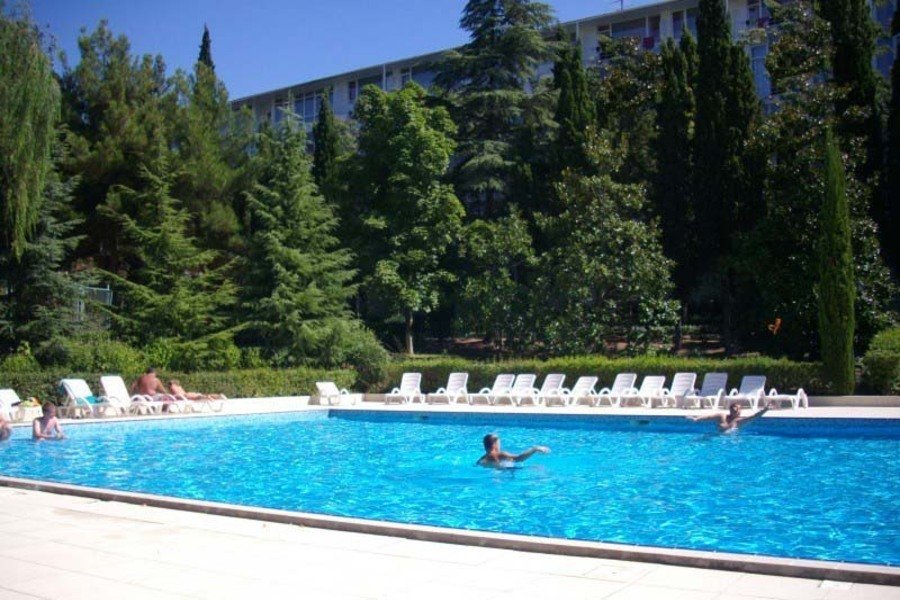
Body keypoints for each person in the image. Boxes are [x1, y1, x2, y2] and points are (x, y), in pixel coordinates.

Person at [688, 401, 776, 432]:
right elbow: (708, 417)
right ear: (730, 409)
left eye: (738, 409)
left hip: (731, 441)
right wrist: (697, 418)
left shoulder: (739, 421)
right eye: (734, 408)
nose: (736, 410)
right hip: (717, 439)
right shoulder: (722, 416)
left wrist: (765, 409)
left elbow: (754, 416)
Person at [477, 433, 549, 468]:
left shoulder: (481, 460)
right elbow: (520, 458)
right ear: (495, 444)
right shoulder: (500, 454)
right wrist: (534, 449)